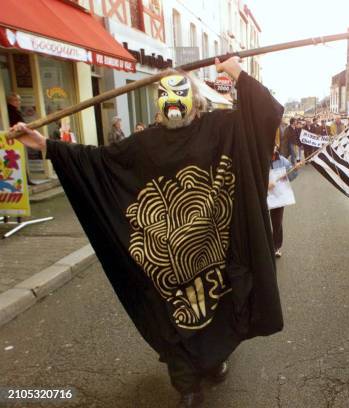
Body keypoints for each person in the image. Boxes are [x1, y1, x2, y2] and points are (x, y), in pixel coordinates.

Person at [10, 57, 284, 408]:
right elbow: (98, 161)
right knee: (171, 315)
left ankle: (213, 362)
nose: (173, 107)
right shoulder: (144, 144)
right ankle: (187, 385)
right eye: (166, 98)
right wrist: (46, 145)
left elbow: (261, 116)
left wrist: (236, 71)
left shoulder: (221, 127)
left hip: (215, 250)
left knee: (219, 309)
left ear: (195, 102)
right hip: (163, 261)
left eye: (179, 97)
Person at [268, 145, 298, 258]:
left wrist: (295, 169)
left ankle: (276, 247)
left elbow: (291, 176)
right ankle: (264, 247)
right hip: (262, 196)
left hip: (278, 198)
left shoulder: (283, 161)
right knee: (263, 223)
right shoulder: (259, 158)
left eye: (274, 145)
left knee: (277, 223)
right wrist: (265, 184)